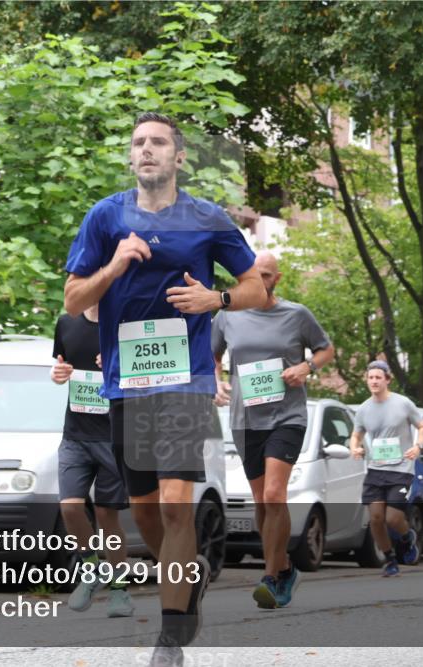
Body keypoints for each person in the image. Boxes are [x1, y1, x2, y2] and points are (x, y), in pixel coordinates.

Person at [63, 112, 266, 666]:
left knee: (177, 505)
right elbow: (75, 300)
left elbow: (254, 288)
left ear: (178, 156)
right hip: (128, 383)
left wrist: (215, 301)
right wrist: (116, 262)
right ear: (130, 157)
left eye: (158, 142)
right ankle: (187, 576)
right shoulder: (105, 218)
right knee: (146, 511)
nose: (147, 149)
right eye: (138, 143)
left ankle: (170, 635)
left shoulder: (206, 218)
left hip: (188, 378)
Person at [211, 250, 333, 608]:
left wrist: (307, 367)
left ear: (276, 279)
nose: (260, 281)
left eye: (266, 275)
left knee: (275, 494)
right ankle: (284, 569)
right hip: (244, 419)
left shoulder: (296, 315)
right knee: (262, 501)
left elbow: (326, 350)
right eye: (253, 275)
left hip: (287, 416)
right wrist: (216, 381)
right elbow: (212, 356)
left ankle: (272, 575)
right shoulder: (227, 316)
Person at [50, 304, 134, 618]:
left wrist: (118, 366)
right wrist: (57, 375)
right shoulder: (67, 323)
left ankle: (120, 590)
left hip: (113, 435)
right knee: (70, 506)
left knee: (106, 515)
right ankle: (91, 567)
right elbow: (59, 368)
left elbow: (143, 372)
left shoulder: (124, 323)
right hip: (75, 434)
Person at [349, 360, 423, 577]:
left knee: (392, 518)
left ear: (387, 380)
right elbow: (356, 434)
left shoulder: (403, 404)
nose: (374, 381)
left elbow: (422, 426)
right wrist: (355, 447)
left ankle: (407, 536)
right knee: (375, 518)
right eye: (370, 377)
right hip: (375, 469)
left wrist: (417, 446)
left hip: (401, 469)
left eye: (378, 377)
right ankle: (390, 559)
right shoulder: (363, 408)